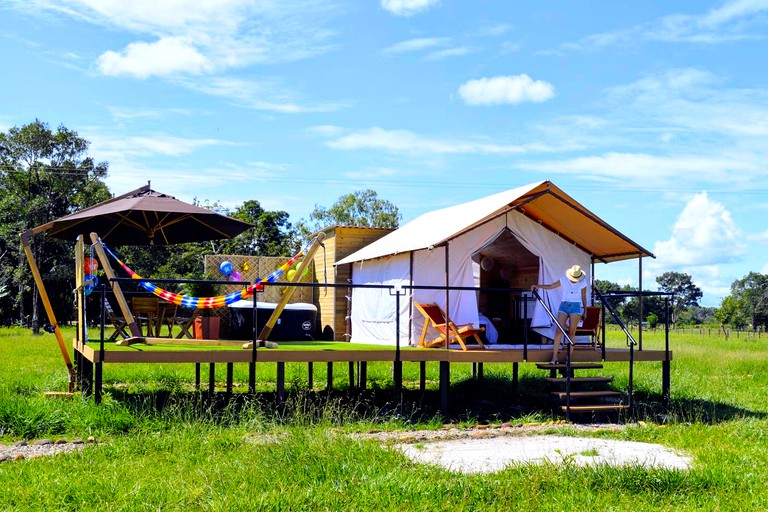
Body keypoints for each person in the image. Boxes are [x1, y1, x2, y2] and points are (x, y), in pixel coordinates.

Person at [531, 264, 588, 364]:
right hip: (564, 305)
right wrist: (538, 286)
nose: (573, 280)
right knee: (558, 331)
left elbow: (584, 297)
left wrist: (586, 311)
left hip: (576, 306)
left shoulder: (583, 282)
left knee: (571, 333)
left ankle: (569, 359)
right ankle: (554, 358)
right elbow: (551, 286)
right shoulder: (564, 279)